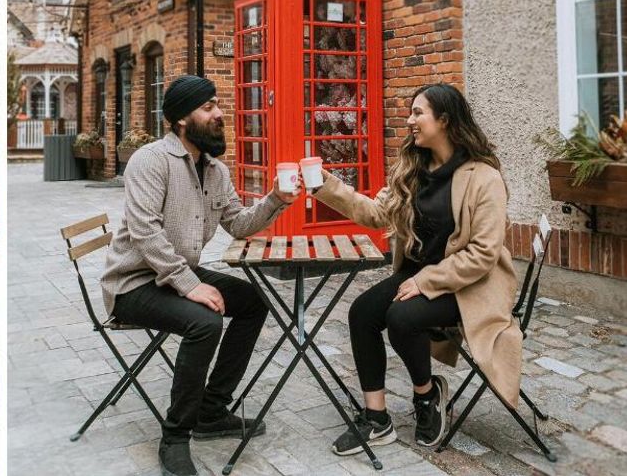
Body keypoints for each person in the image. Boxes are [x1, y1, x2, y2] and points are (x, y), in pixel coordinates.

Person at [100, 75, 298, 476]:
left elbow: (239, 225)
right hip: (133, 283)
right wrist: (191, 286)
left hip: (175, 275)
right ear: (181, 120)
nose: (220, 113)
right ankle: (175, 436)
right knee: (205, 322)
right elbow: (145, 234)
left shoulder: (214, 170)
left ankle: (211, 410)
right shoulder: (151, 161)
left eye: (218, 104)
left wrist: (275, 198)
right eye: (208, 107)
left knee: (253, 303)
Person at [309, 83, 520, 457]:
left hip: (469, 287)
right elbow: (375, 214)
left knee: (402, 317)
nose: (410, 120)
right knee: (362, 313)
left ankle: (427, 395)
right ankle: (377, 420)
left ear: (445, 120)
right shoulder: (414, 168)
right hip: (418, 276)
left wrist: (426, 280)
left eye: (418, 113)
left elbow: (483, 253)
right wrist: (324, 185)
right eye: (411, 112)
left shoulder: (483, 178)